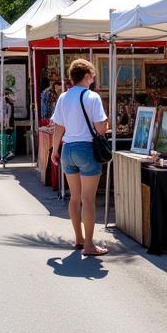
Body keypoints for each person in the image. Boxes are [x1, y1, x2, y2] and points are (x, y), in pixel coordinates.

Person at [49, 58, 109, 256]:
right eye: (92, 75)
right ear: (86, 76)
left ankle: (79, 239)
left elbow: (58, 126)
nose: (93, 78)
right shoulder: (92, 97)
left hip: (67, 148)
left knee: (74, 198)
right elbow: (100, 128)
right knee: (88, 199)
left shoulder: (64, 97)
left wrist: (55, 150)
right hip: (86, 149)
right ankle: (90, 245)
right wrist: (106, 126)